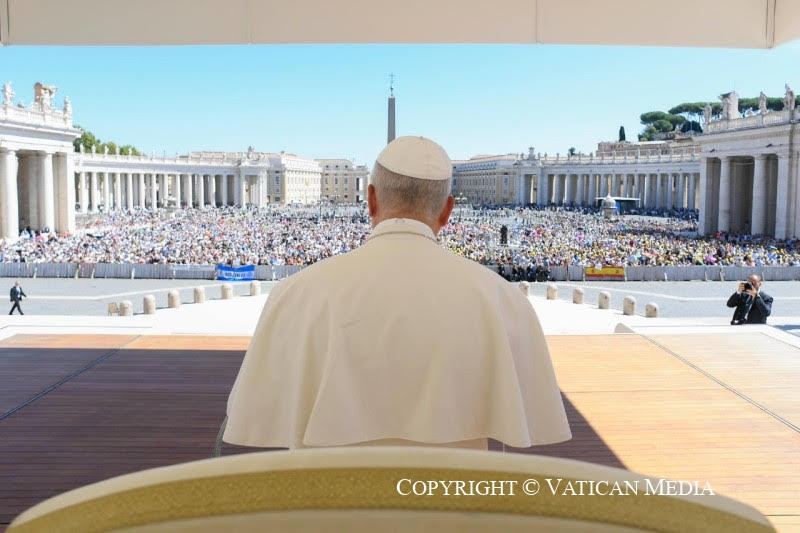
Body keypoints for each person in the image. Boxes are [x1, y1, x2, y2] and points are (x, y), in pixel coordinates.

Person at [224, 136, 571, 450]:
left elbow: (253, 413)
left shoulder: (293, 294)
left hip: (328, 499)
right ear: (448, 210)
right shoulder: (501, 299)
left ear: (370, 199)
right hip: (451, 499)